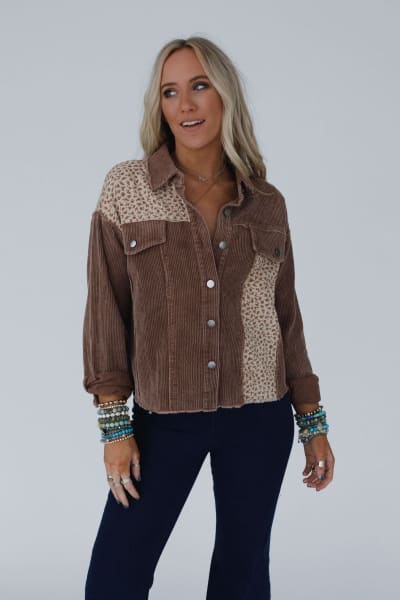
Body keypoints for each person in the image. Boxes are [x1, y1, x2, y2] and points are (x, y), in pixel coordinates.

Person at [82, 36, 335, 600]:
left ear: (225, 95)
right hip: (163, 418)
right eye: (170, 92)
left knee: (243, 577)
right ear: (159, 105)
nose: (186, 104)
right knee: (115, 577)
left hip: (260, 415)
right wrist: (115, 426)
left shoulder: (266, 202)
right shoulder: (127, 188)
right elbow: (105, 311)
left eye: (200, 86)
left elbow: (286, 316)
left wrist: (312, 422)